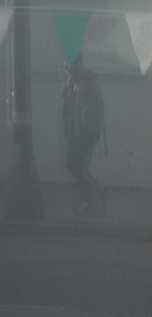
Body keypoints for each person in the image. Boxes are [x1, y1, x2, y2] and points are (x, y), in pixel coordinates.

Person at [61, 51, 104, 215]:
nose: (66, 69)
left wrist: (82, 134)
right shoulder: (75, 82)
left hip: (85, 133)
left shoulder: (85, 84)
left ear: (77, 65)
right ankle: (98, 190)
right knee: (75, 167)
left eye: (68, 65)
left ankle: (88, 202)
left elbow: (87, 112)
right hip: (78, 133)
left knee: (77, 167)